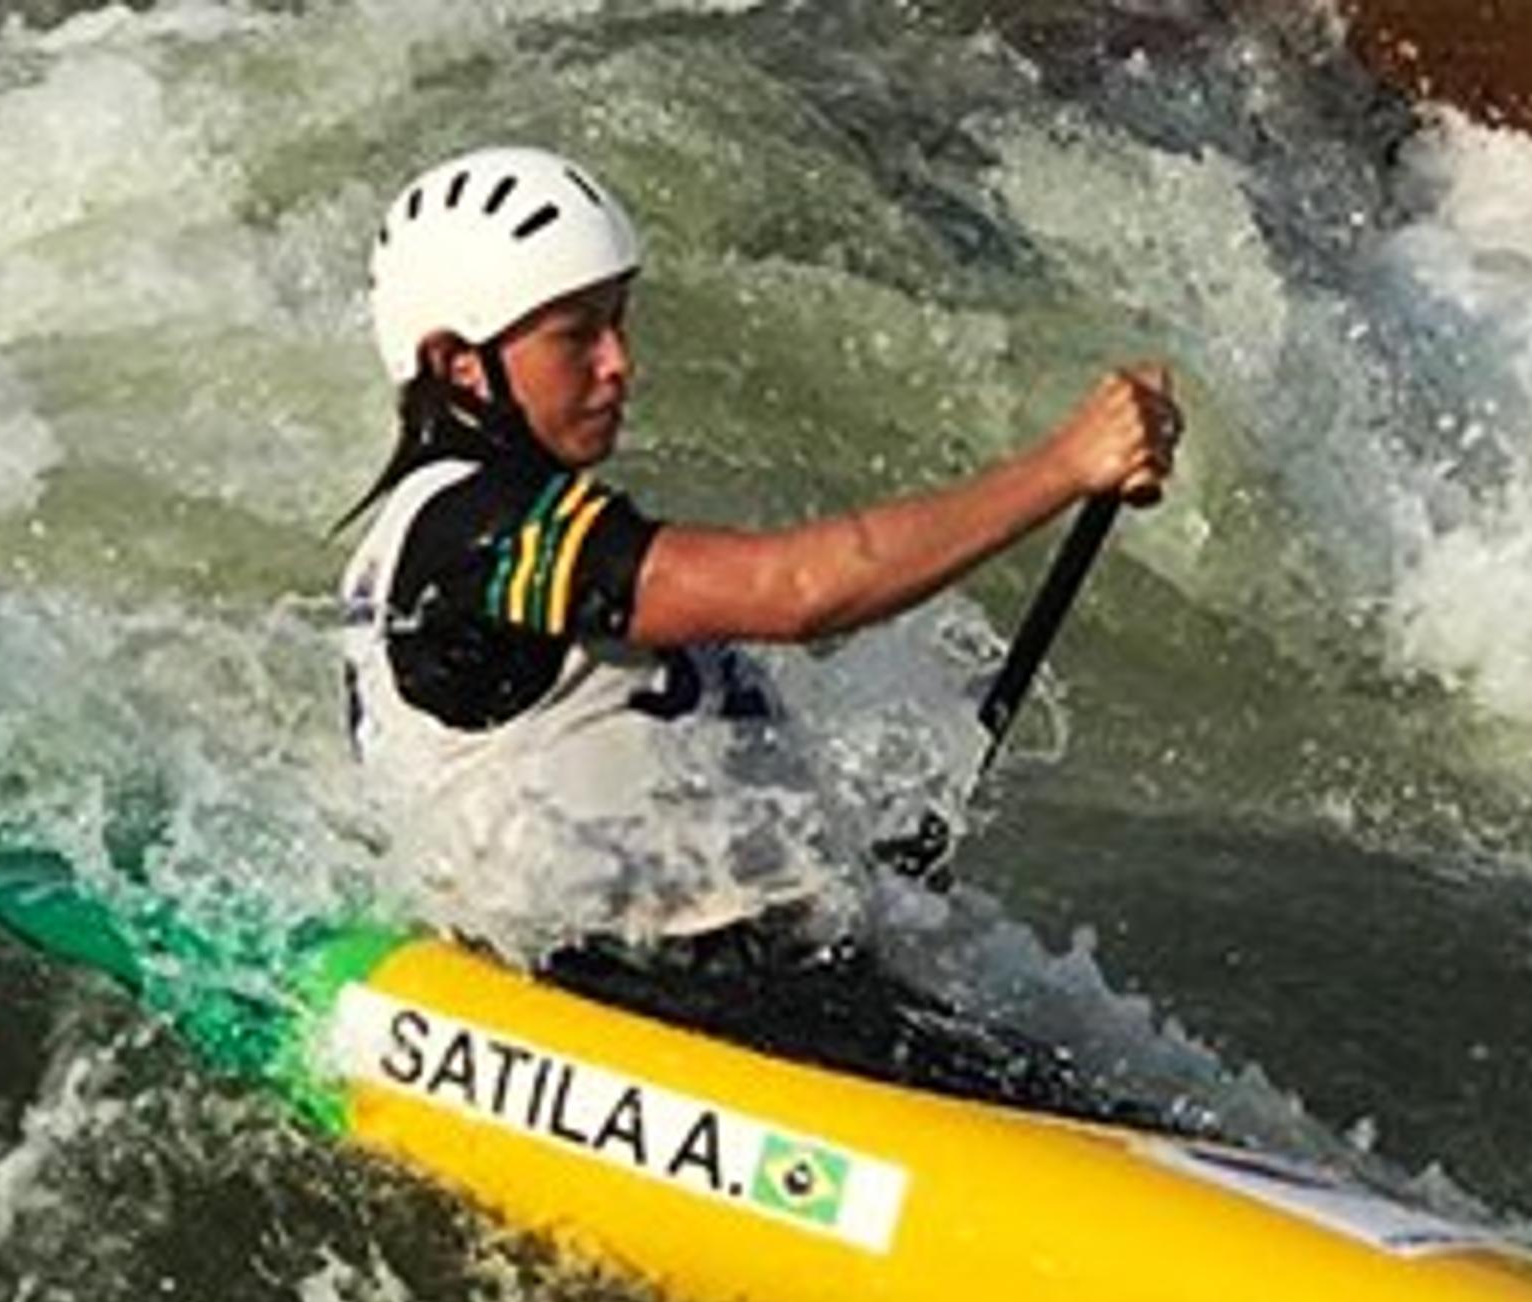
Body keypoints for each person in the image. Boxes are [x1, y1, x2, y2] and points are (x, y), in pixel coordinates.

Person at [335, 143, 1181, 1113]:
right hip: (648, 1006)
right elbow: (796, 590)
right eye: (579, 336)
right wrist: (1065, 465)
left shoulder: (506, 517)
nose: (621, 364)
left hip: (745, 990)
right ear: (459, 365)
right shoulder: (469, 533)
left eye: (620, 323)